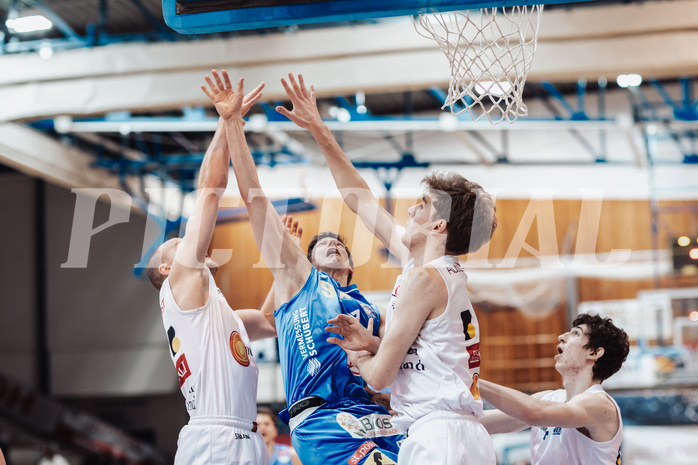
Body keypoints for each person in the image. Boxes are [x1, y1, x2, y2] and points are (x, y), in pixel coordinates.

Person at [275, 73, 498, 465]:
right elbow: (360, 200)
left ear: (438, 226)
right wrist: (319, 130)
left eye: (422, 205)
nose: (410, 209)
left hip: (439, 435)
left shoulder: (425, 279)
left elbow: (378, 378)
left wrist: (358, 354)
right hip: (454, 432)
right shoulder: (436, 271)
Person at [201, 70, 403, 465]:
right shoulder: (301, 282)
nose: (332, 243)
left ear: (350, 264)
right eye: (320, 245)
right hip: (324, 420)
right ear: (304, 262)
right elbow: (254, 199)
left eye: (339, 244)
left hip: (377, 417)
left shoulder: (373, 311)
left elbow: (395, 369)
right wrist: (232, 125)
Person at [145, 77, 277, 465]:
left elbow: (270, 320)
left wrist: (283, 257)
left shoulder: (217, 314)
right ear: (168, 268)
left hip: (243, 437)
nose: (186, 244)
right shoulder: (180, 282)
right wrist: (226, 122)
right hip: (214, 437)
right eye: (177, 245)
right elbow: (210, 189)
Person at [478, 313, 630, 465]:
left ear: (594, 352)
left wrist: (474, 381)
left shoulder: (600, 404)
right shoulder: (549, 398)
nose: (561, 336)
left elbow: (533, 413)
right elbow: (483, 422)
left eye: (576, 333)